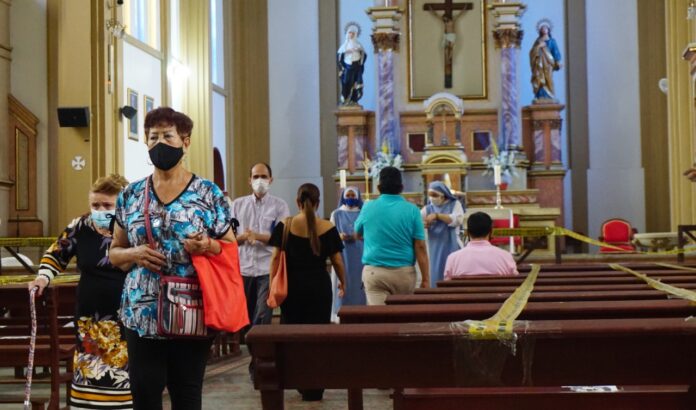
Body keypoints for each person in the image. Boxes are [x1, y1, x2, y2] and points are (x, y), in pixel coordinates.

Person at [109, 107, 237, 410]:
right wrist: (135, 253)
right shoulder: (131, 195)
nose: (159, 144)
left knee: (186, 391)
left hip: (190, 305)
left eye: (168, 136)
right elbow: (115, 252)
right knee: (144, 391)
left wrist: (206, 244)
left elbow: (228, 246)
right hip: (142, 309)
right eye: (153, 137)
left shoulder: (208, 193)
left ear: (186, 141)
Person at [28, 174, 131, 409]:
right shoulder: (80, 226)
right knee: (89, 367)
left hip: (127, 315)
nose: (100, 210)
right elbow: (57, 253)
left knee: (124, 373)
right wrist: (43, 277)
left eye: (107, 205)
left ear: (122, 204)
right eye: (95, 205)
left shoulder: (133, 227)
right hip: (89, 317)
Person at [268, 183, 346, 401]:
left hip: (292, 288)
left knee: (292, 334)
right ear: (318, 202)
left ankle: (298, 380)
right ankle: (315, 385)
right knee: (317, 336)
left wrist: (272, 283)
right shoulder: (327, 227)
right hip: (319, 287)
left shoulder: (285, 225)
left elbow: (275, 258)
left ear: (297, 202)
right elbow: (337, 261)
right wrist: (343, 282)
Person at [355, 166, 430, 305]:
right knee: (402, 319)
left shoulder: (368, 207)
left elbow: (357, 233)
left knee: (379, 320)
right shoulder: (412, 210)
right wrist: (425, 278)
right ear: (401, 187)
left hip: (375, 272)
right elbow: (420, 246)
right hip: (404, 273)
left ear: (379, 187)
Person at [230, 162, 290, 331]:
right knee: (245, 318)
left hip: (267, 269)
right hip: (243, 269)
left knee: (262, 315)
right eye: (256, 176)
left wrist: (257, 236)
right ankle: (250, 353)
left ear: (271, 180)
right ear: (249, 180)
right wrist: (244, 237)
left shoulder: (280, 205)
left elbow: (282, 238)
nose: (260, 180)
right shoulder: (237, 205)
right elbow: (229, 240)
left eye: (264, 176)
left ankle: (259, 355)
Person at [444, 211, 518, 278]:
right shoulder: (505, 257)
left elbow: (446, 285)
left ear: (468, 232)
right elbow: (514, 282)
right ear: (491, 232)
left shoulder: (453, 259)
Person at [330, 187, 366, 317]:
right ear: (344, 197)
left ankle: (362, 311)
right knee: (343, 279)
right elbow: (331, 233)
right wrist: (339, 236)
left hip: (360, 253)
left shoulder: (363, 213)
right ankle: (341, 313)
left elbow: (368, 232)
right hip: (343, 253)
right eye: (348, 195)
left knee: (359, 283)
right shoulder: (336, 214)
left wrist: (359, 236)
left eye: (353, 195)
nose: (350, 198)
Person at [421, 181, 464, 287]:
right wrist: (423, 224)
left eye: (434, 195)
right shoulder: (428, 208)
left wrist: (437, 216)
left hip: (451, 243)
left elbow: (457, 220)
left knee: (453, 273)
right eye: (430, 195)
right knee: (436, 272)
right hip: (434, 246)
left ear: (443, 195)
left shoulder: (455, 204)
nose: (432, 198)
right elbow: (417, 221)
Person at [530, 19, 562, 102]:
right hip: (538, 64)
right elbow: (532, 52)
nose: (544, 30)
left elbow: (556, 51)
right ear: (540, 30)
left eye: (545, 28)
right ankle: (540, 95)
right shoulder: (538, 41)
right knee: (539, 78)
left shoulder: (551, 41)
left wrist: (558, 61)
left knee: (548, 78)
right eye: (542, 28)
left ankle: (550, 95)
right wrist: (538, 47)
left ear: (548, 30)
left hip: (548, 64)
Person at [337, 23, 366, 106]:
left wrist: (359, 50)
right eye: (350, 33)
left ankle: (354, 100)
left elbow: (364, 55)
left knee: (356, 82)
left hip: (356, 66)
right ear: (347, 34)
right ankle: (345, 99)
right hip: (347, 67)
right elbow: (339, 55)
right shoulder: (345, 45)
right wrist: (347, 51)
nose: (351, 34)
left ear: (355, 34)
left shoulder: (358, 44)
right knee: (346, 82)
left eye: (353, 33)